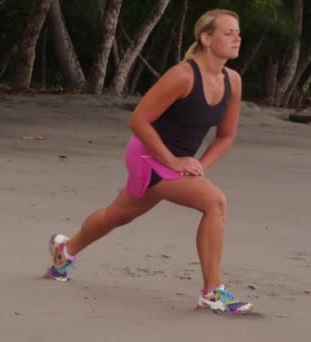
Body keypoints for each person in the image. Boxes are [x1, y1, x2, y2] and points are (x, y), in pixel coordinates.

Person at [45, 9, 254, 315]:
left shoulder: (232, 82)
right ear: (206, 39)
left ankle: (65, 251)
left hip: (176, 164)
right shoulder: (182, 76)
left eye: (238, 32)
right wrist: (173, 160)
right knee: (216, 203)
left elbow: (225, 137)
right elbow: (139, 121)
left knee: (117, 215)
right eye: (228, 32)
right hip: (147, 155)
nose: (237, 38)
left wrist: (198, 166)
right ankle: (212, 292)